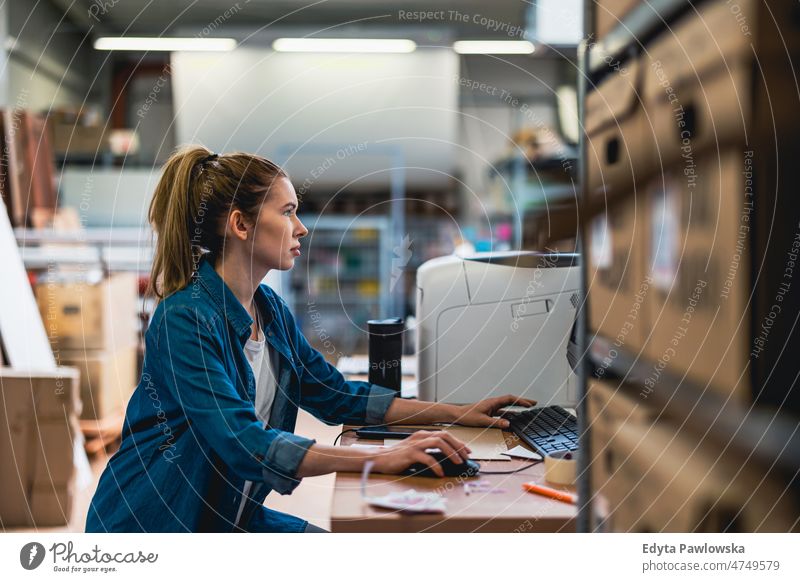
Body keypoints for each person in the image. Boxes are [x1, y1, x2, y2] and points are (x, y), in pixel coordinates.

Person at [85, 146, 535, 533]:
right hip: (155, 526)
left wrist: (457, 413)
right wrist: (381, 458)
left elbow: (336, 395)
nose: (301, 228)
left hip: (225, 518)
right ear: (241, 225)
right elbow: (242, 442)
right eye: (287, 212)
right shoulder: (184, 319)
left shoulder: (269, 311)